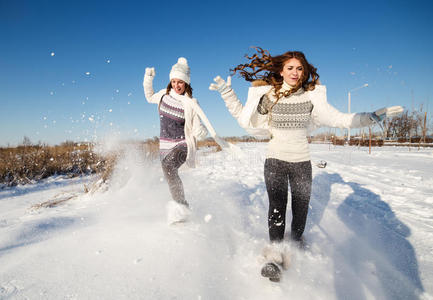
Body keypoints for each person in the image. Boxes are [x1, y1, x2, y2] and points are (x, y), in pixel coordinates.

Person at [209, 47, 403, 281]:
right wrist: (227, 93)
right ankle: (275, 257)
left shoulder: (312, 97)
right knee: (277, 208)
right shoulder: (269, 96)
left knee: (300, 210)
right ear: (281, 71)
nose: (295, 72)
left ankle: (297, 241)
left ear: (304, 72)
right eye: (290, 68)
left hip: (301, 162)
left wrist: (369, 117)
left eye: (300, 68)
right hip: (275, 161)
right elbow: (245, 120)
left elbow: (340, 118)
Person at [144, 57, 228, 224]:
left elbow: (196, 126)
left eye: (180, 82)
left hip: (183, 145)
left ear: (186, 83)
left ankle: (181, 209)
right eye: (174, 81)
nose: (176, 85)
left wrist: (201, 132)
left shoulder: (191, 103)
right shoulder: (163, 95)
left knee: (169, 167)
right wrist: (149, 78)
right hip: (165, 145)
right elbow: (149, 96)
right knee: (169, 173)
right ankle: (182, 205)